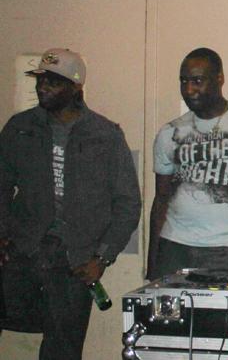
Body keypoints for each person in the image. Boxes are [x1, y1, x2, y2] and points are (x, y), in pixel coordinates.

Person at [0, 48, 141, 360]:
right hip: (22, 251)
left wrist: (102, 258)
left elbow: (128, 203)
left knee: (62, 349)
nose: (43, 87)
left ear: (76, 86)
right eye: (40, 80)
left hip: (74, 261)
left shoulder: (105, 135)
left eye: (53, 82)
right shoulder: (20, 128)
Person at [147, 48, 228, 279]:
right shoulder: (169, 132)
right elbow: (161, 198)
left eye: (197, 81)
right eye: (183, 81)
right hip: (173, 246)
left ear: (219, 79)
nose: (189, 90)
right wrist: (153, 265)